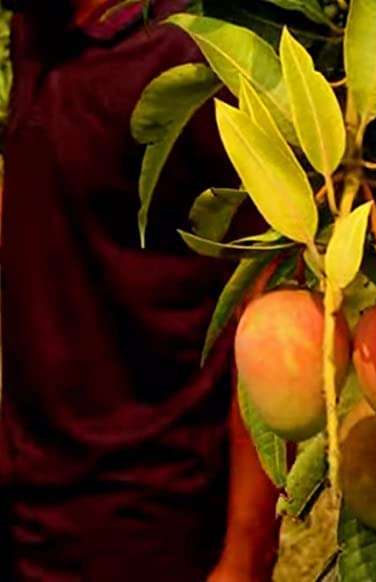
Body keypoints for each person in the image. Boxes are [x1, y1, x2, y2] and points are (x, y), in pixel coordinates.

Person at [0, 0, 282, 580]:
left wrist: (247, 553)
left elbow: (266, 299)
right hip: (28, 489)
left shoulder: (196, 54)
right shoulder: (38, 25)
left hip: (145, 517)